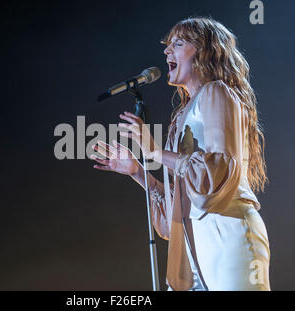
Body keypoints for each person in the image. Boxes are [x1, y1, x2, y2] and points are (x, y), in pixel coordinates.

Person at [91, 17, 270, 291]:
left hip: (228, 233)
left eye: (178, 43)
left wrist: (155, 151)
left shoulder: (216, 93)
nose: (166, 51)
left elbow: (216, 170)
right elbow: (179, 205)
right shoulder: (181, 116)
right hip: (194, 248)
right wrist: (138, 171)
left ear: (204, 51)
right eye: (167, 45)